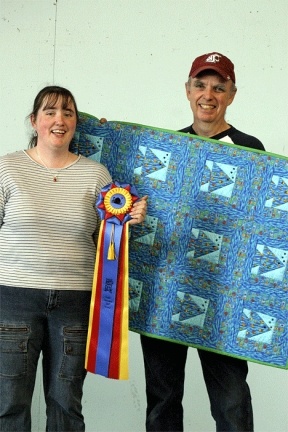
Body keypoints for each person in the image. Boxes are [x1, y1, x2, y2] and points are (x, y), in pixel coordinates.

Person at [0, 85, 147, 432]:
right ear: (34, 121)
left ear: (76, 124)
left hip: (74, 303)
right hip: (13, 299)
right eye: (50, 112)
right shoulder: (7, 168)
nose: (59, 120)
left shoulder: (97, 175)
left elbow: (106, 243)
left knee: (67, 405)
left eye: (67, 112)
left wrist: (129, 223)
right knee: (9, 403)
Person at [140, 52, 265, 432]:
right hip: (167, 292)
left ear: (231, 94)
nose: (207, 94)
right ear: (187, 90)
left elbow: (263, 226)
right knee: (162, 402)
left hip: (224, 296)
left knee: (231, 404)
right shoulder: (167, 151)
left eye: (218, 87)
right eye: (200, 84)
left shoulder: (251, 149)